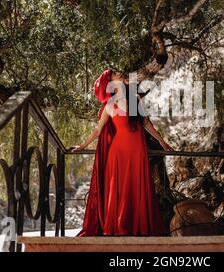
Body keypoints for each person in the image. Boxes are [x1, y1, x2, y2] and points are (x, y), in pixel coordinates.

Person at [72, 69, 173, 236]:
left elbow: (146, 124)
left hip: (137, 149)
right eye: (115, 74)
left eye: (118, 73)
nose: (119, 74)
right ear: (109, 82)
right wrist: (83, 146)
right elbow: (98, 131)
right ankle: (118, 226)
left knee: (136, 185)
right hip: (118, 153)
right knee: (120, 188)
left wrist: (162, 142)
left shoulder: (135, 99)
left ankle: (138, 226)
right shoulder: (110, 104)